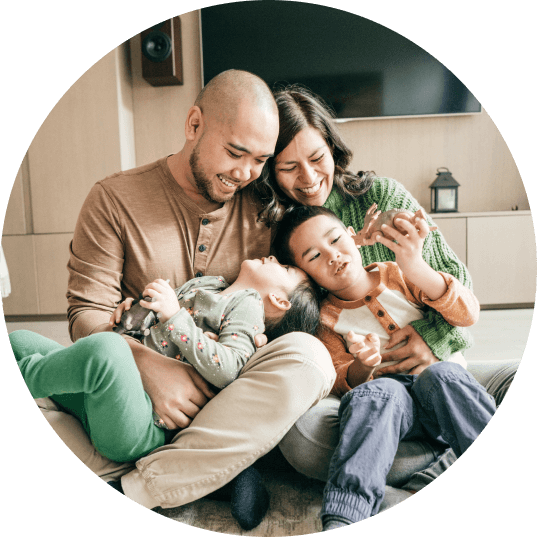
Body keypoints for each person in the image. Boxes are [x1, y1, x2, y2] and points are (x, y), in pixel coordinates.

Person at [39, 70, 336, 516]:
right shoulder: (113, 199)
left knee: (309, 357)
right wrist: (149, 366)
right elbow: (86, 316)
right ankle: (214, 469)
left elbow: (302, 286)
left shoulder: (266, 208)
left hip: (226, 399)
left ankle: (143, 486)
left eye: (260, 160)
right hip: (133, 399)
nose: (245, 173)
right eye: (235, 152)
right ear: (194, 124)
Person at [254, 84, 518, 499]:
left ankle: (424, 458)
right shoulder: (271, 232)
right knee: (304, 439)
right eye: (288, 167)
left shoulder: (381, 198)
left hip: (439, 369)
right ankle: (440, 453)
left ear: (332, 148)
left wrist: (428, 342)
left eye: (317, 158)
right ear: (269, 170)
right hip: (370, 394)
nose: (307, 179)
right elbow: (300, 341)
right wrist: (359, 369)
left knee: (460, 380)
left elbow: (462, 300)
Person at [12, 255, 320, 529]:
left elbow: (228, 368)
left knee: (106, 350)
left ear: (281, 301)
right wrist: (131, 316)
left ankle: (34, 377)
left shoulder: (247, 306)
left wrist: (174, 317)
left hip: (141, 426)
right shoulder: (210, 285)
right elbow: (152, 335)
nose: (273, 257)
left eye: (286, 267)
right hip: (112, 398)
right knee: (21, 341)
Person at [273, 205, 496, 529]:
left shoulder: (400, 275)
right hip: (393, 407)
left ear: (352, 236)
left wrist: (416, 266)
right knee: (376, 392)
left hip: (442, 390)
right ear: (304, 272)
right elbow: (338, 378)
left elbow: (466, 313)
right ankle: (345, 513)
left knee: (441, 374)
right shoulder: (326, 318)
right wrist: (363, 365)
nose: (332, 255)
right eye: (314, 256)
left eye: (335, 240)